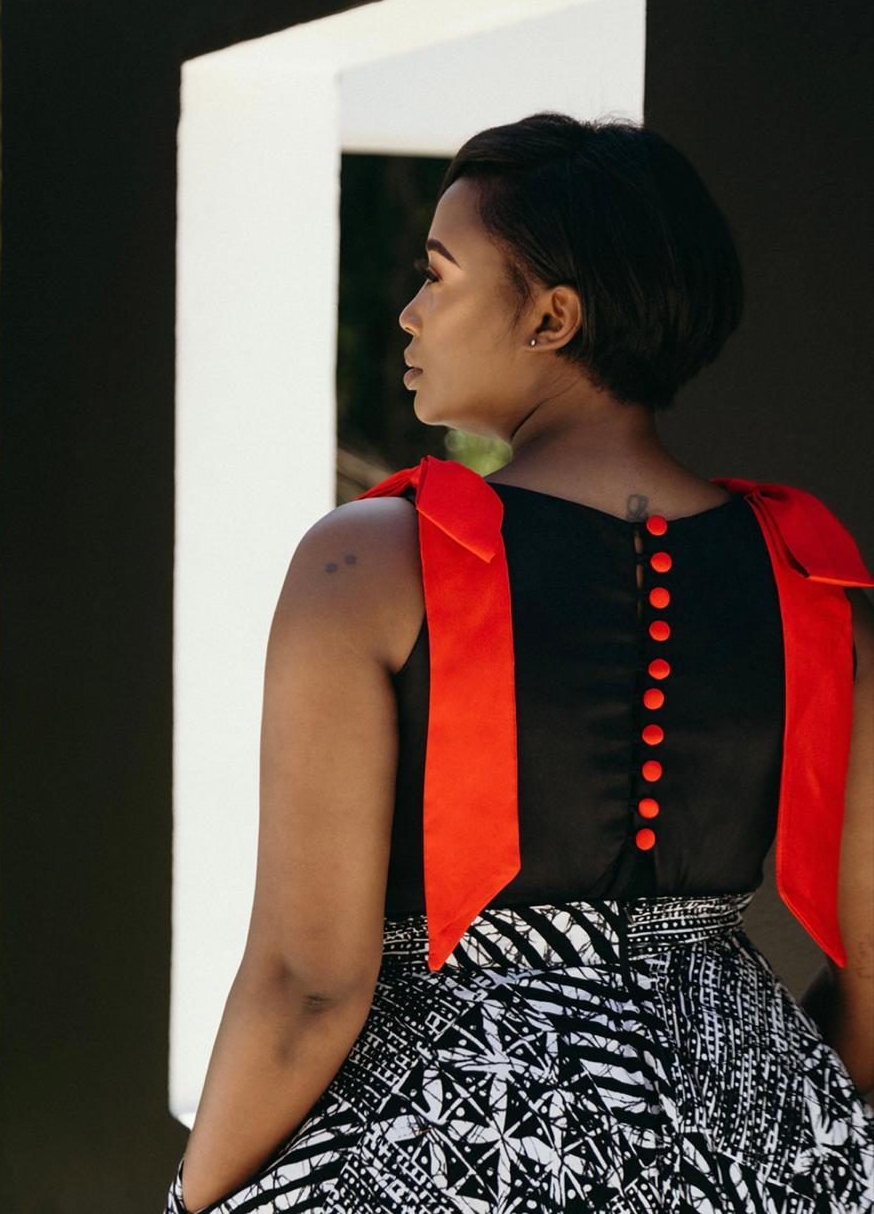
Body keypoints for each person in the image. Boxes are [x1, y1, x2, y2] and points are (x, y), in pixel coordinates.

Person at [164, 112, 874, 1213]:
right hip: (767, 1130)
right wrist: (783, 1122)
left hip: (470, 1142)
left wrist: (191, 1198)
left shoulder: (369, 563)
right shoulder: (814, 583)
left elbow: (310, 983)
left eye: (438, 276)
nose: (410, 312)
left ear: (552, 316)